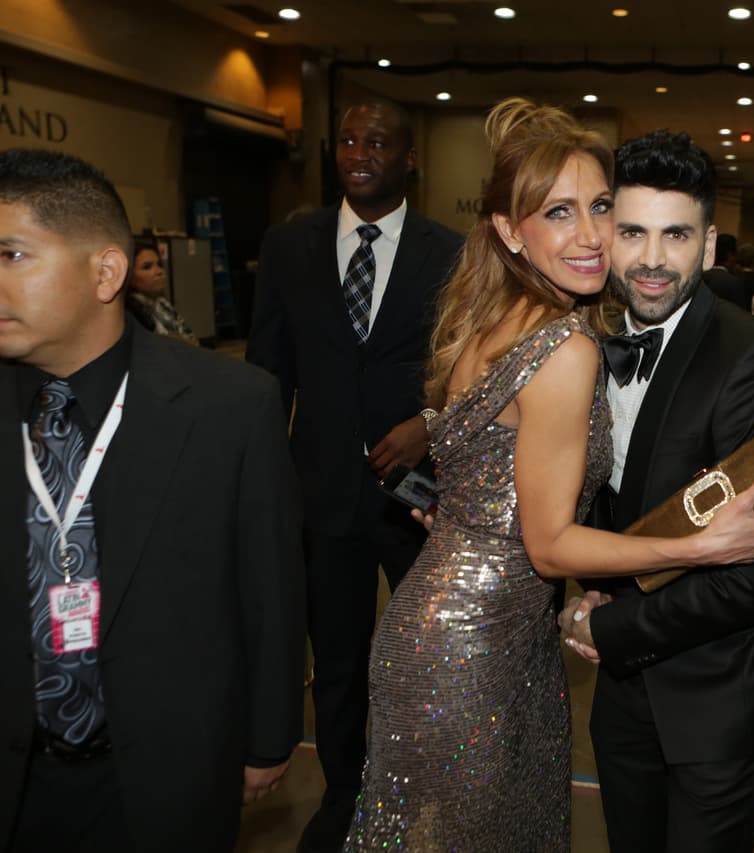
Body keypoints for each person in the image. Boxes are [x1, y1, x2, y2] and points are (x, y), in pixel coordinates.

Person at [344, 101, 754, 853]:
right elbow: (549, 545)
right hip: (477, 652)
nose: (590, 236)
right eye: (558, 212)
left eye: (600, 207)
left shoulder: (494, 317)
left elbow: (484, 479)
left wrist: (466, 521)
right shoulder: (565, 347)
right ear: (512, 231)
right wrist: (703, 546)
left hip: (452, 628)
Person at [0, 149, 304, 852]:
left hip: (165, 769)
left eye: (12, 255)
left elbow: (269, 584)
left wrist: (268, 735)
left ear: (105, 271)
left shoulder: (228, 404)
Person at [560, 129, 754, 853]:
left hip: (717, 702)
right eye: (632, 231)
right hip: (624, 702)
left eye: (676, 235)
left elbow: (747, 581)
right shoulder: (583, 341)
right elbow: (599, 501)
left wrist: (605, 628)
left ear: (707, 245)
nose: (652, 259)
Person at [245, 97, 464, 853]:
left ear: (410, 159)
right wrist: (264, 479)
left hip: (421, 496)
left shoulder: (453, 251)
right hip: (322, 493)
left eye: (378, 140)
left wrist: (428, 423)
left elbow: (474, 369)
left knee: (424, 655)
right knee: (335, 662)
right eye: (347, 138)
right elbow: (266, 372)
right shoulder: (287, 244)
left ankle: (423, 794)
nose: (358, 150)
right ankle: (344, 796)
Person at [124, 242, 198, 344]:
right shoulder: (130, 314)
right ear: (129, 276)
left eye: (159, 264)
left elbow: (191, 338)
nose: (159, 271)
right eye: (147, 267)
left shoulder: (162, 303)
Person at [701, 232, 750, 309]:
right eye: (736, 254)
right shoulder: (733, 282)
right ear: (730, 255)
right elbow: (739, 316)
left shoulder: (697, 279)